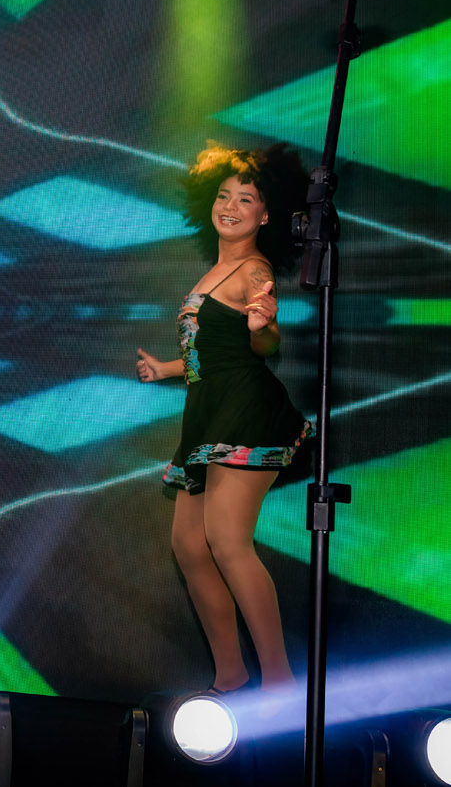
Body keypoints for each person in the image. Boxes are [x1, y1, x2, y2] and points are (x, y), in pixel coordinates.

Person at [136, 142, 312, 693]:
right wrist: (165, 368)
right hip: (209, 413)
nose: (231, 206)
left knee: (228, 544)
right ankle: (231, 675)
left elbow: (262, 343)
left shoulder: (254, 268)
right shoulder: (218, 268)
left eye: (247, 198)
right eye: (223, 195)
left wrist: (265, 327)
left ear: (267, 214)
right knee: (190, 547)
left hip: (245, 414)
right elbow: (211, 352)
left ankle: (280, 683)